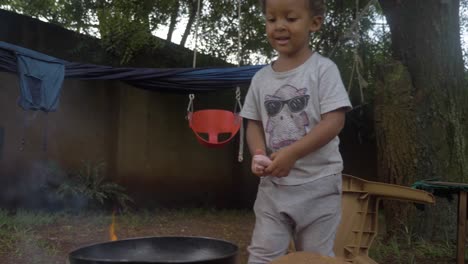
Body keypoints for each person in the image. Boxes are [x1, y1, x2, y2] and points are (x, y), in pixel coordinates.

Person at [239, 0, 352, 263]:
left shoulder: (323, 70)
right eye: (271, 19)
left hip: (319, 183)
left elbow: (334, 121)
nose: (279, 26)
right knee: (262, 255)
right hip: (274, 186)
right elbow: (253, 122)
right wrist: (258, 152)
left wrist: (292, 153)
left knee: (313, 257)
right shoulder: (260, 79)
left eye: (290, 19)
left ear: (314, 23)